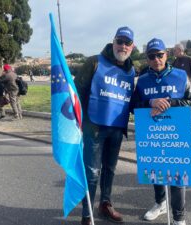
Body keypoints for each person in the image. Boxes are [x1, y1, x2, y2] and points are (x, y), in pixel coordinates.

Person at [130, 38, 191, 225]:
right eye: (151, 56)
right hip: (152, 133)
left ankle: (178, 218)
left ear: (166, 54)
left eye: (159, 55)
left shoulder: (181, 75)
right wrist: (150, 102)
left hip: (176, 133)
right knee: (156, 170)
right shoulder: (142, 80)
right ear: (147, 59)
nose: (156, 59)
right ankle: (160, 203)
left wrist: (170, 103)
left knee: (177, 174)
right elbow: (133, 105)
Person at [73, 26, 135, 225]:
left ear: (132, 47)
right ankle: (87, 214)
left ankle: (105, 204)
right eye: (120, 41)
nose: (123, 46)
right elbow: (77, 91)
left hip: (116, 128)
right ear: (113, 41)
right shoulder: (94, 62)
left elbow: (128, 98)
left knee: (110, 169)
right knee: (92, 172)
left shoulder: (130, 69)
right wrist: (80, 121)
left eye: (127, 43)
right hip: (95, 126)